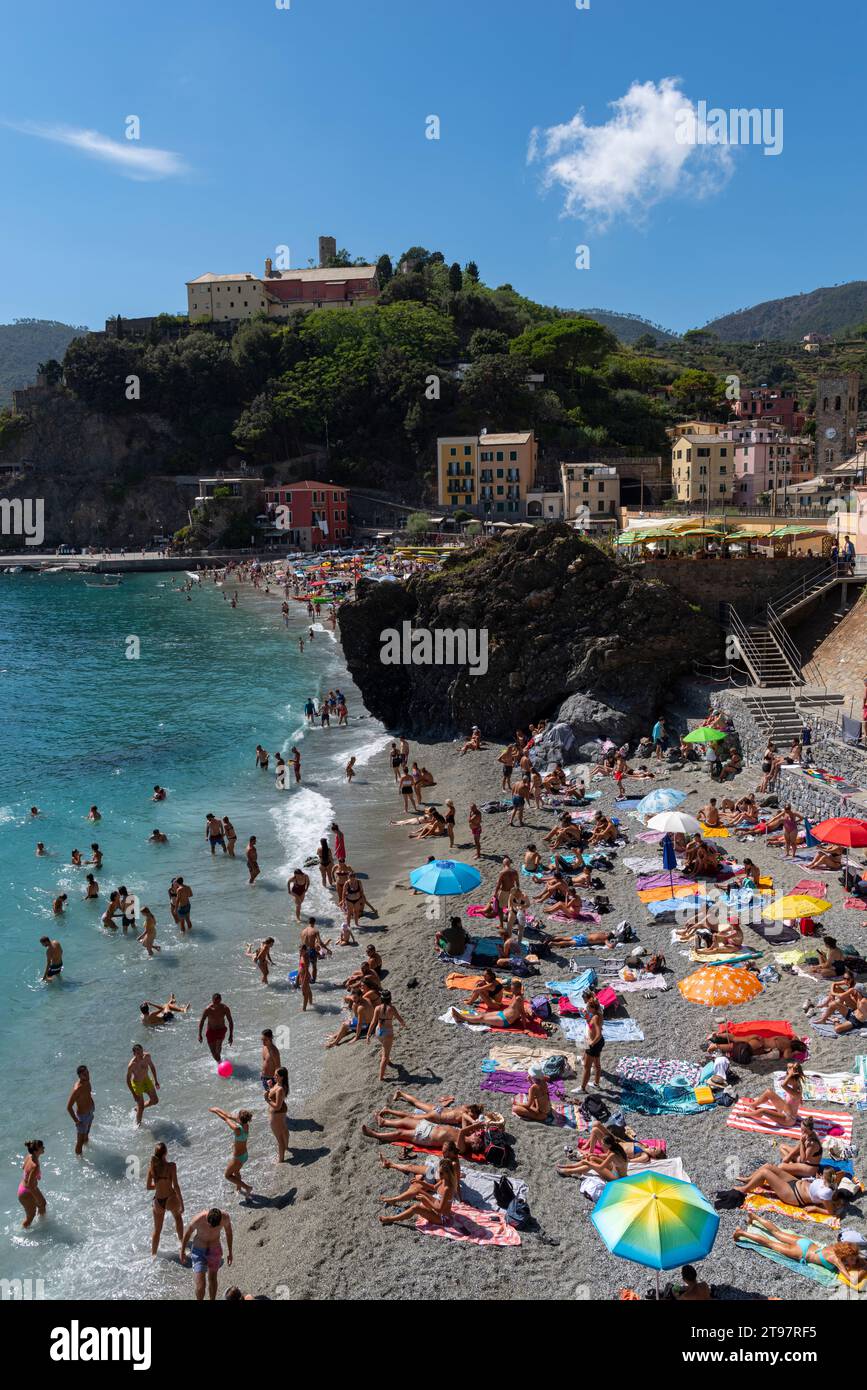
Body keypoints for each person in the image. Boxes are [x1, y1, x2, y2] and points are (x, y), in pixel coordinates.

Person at [734, 1217, 867, 1286]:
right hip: (801, 1252)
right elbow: (852, 1280)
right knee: (770, 1244)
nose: (854, 1260)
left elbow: (850, 1259)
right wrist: (864, 1269)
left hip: (806, 1243)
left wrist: (856, 1262)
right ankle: (741, 1233)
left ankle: (754, 1217)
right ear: (846, 1255)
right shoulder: (837, 1260)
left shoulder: (836, 1248)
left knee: (777, 1233)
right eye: (853, 1258)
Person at [181, 1208, 233, 1302]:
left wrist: (230, 1253)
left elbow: (229, 1233)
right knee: (200, 1284)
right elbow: (187, 1233)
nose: (211, 1228)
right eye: (210, 1225)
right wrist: (182, 1251)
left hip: (215, 1250)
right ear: (207, 1218)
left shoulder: (225, 1218)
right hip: (198, 1251)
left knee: (212, 1278)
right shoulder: (199, 1219)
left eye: (215, 1226)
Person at [147, 1142, 184, 1254]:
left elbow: (148, 1187)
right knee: (178, 1218)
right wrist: (182, 1203)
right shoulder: (172, 1166)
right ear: (166, 1153)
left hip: (158, 1201)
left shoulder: (152, 1169)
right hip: (171, 1198)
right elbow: (176, 1186)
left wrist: (159, 1185)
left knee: (157, 1230)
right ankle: (182, 1246)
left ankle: (153, 1255)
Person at [741, 1062, 804, 1128]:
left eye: (787, 1078)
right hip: (784, 1110)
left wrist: (790, 1074)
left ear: (792, 1078)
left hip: (788, 1119)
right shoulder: (797, 1084)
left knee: (763, 1110)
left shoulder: (796, 1092)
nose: (786, 1079)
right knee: (768, 1092)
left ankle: (747, 1114)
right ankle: (753, 1105)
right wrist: (792, 1068)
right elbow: (788, 1064)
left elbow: (783, 1085)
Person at [209, 1107, 253, 1196]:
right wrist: (218, 1109)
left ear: (240, 1118)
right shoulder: (246, 1126)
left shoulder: (237, 1129)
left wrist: (215, 1112)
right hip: (244, 1155)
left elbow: (226, 1118)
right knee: (236, 1172)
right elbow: (228, 1115)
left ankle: (247, 1187)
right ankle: (238, 1189)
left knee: (227, 1175)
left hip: (238, 1157)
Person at [450, 979, 528, 1028]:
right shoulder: (516, 994)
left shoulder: (519, 998)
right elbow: (520, 984)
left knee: (482, 1019)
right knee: (482, 1015)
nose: (511, 990)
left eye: (512, 989)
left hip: (505, 1020)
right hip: (502, 1014)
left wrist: (526, 1028)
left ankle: (460, 1017)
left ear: (518, 989)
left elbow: (522, 1013)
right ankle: (461, 1016)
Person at [368, 989, 407, 1082]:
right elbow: (400, 1019)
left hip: (378, 1032)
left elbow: (373, 1022)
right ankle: (381, 1077)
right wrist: (404, 1025)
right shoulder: (392, 1008)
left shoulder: (377, 1008)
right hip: (388, 1033)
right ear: (390, 998)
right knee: (385, 1056)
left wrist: (368, 1034)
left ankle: (388, 1061)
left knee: (384, 1046)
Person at [126, 1044, 160, 1126]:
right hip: (137, 1084)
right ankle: (137, 1126)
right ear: (134, 1054)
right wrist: (134, 1094)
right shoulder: (132, 1065)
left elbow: (152, 1067)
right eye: (138, 1053)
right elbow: (127, 1080)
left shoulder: (147, 1057)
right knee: (141, 1107)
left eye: (141, 1052)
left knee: (155, 1100)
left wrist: (156, 1081)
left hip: (146, 1080)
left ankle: (137, 1109)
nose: (140, 1054)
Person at [66, 1064, 95, 1156]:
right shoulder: (77, 1089)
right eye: (84, 1074)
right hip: (82, 1117)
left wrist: (92, 1105)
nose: (87, 1076)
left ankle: (87, 1148)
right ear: (79, 1076)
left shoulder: (87, 1082)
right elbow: (69, 1107)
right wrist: (76, 1121)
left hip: (90, 1111)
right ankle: (79, 1159)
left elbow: (88, 1095)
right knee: (80, 1141)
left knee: (87, 1133)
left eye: (87, 1073)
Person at [17, 1139, 46, 1229]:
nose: (44, 1148)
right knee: (31, 1216)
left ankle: (43, 1224)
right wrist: (37, 1198)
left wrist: (34, 1176)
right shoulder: (35, 1166)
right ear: (36, 1150)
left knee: (43, 1204)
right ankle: (22, 1231)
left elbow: (23, 1167)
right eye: (42, 1147)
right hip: (27, 1191)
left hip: (24, 1186)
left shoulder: (29, 1156)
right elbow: (30, 1185)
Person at [580, 989, 605, 1091]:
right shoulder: (597, 1014)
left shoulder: (595, 1017)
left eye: (588, 1007)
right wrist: (586, 1016)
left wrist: (591, 1043)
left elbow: (598, 1034)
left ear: (592, 1008)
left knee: (587, 1067)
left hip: (595, 1043)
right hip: (598, 1043)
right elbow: (591, 1025)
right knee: (597, 1065)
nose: (587, 1007)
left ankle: (582, 1089)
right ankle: (596, 1084)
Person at [265, 1068, 290, 1164]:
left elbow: (277, 1107)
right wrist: (270, 1086)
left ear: (282, 1077)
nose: (274, 1077)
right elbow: (276, 1097)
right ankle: (286, 1147)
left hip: (277, 1113)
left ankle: (281, 1159)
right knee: (284, 1129)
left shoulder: (280, 1089)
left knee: (279, 1137)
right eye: (274, 1074)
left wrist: (267, 1100)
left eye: (276, 1075)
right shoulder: (279, 1084)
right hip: (281, 1112)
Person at [199, 994, 234, 1061]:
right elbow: (202, 1021)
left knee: (218, 1047)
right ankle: (219, 1062)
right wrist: (200, 1034)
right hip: (211, 1031)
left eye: (218, 1001)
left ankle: (220, 1064)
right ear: (212, 1000)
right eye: (215, 1002)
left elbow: (230, 1022)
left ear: (220, 1000)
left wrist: (231, 1035)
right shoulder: (208, 1009)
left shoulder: (225, 1008)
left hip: (221, 1030)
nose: (217, 1003)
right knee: (213, 1052)